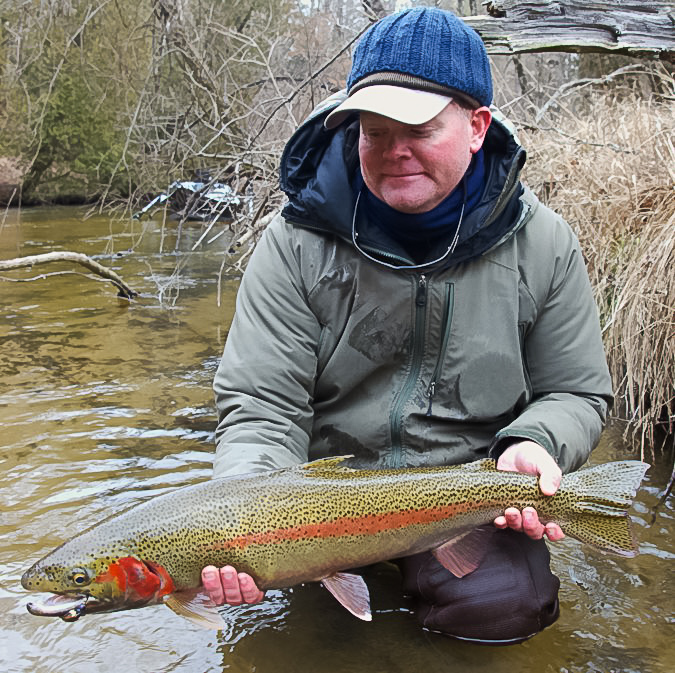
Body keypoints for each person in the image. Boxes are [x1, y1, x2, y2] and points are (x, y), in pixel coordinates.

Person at [201, 7, 613, 644]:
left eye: (418, 128)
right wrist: (241, 519)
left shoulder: (545, 245)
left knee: (507, 608)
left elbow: (577, 392)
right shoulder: (294, 243)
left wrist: (536, 444)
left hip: (469, 492)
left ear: (477, 127)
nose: (394, 150)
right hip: (319, 506)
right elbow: (261, 404)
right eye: (374, 129)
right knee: (291, 640)